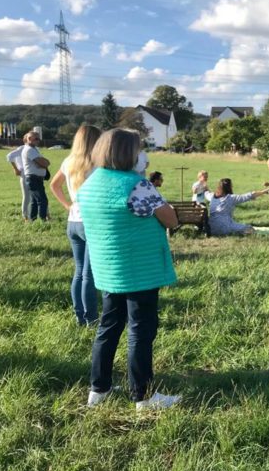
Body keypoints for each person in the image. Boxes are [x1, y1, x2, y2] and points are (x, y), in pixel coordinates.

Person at [76, 128, 181, 411]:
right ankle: (143, 395)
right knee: (141, 329)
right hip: (139, 269)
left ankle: (99, 389)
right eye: (138, 149)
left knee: (108, 326)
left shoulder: (90, 182)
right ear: (129, 154)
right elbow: (171, 219)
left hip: (109, 269)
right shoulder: (138, 186)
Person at [49, 125, 102, 327]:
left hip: (73, 221)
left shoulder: (68, 161)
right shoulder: (98, 163)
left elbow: (54, 185)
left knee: (79, 271)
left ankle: (80, 316)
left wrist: (68, 206)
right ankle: (91, 318)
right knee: (89, 273)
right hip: (91, 221)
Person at [21, 130, 50, 221]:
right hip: (33, 178)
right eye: (36, 138)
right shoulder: (29, 150)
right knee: (43, 200)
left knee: (34, 201)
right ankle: (43, 220)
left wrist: (43, 162)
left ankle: (32, 220)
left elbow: (43, 162)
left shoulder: (34, 149)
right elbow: (43, 163)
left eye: (39, 138)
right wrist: (44, 162)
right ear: (29, 139)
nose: (38, 140)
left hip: (36, 179)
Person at [6, 139, 29, 220]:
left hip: (35, 175)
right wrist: (15, 168)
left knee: (40, 196)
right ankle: (25, 216)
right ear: (25, 141)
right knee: (26, 196)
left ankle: (47, 215)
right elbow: (9, 156)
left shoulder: (36, 149)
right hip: (24, 174)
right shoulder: (21, 149)